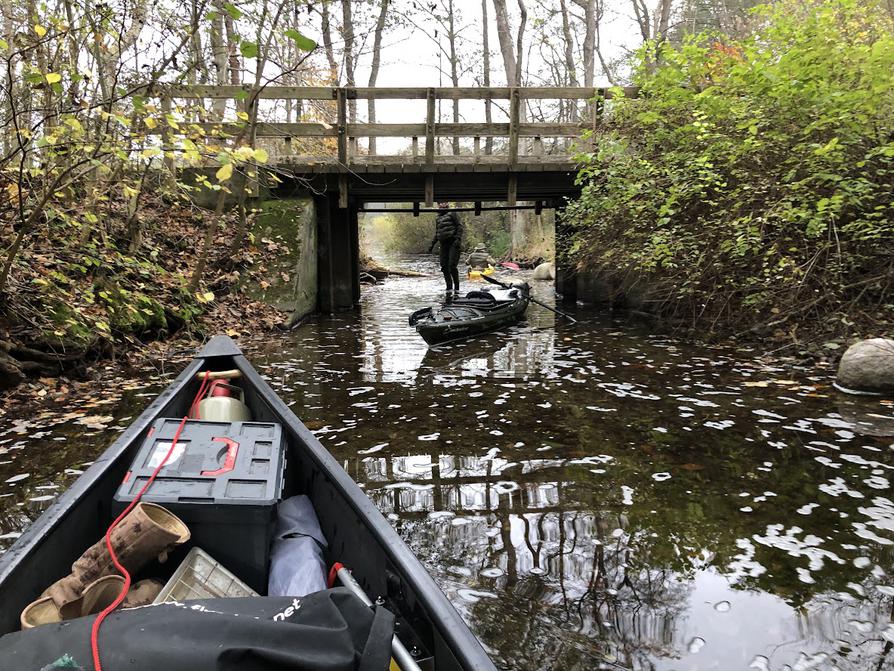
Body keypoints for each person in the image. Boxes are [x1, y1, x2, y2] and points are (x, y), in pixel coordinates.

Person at [428, 202, 463, 294]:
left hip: (453, 243)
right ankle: (449, 287)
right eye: (440, 203)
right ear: (438, 205)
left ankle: (457, 288)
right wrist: (432, 245)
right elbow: (437, 232)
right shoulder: (438, 218)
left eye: (443, 202)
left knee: (452, 266)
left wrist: (458, 239)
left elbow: (459, 226)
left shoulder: (452, 213)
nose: (441, 204)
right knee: (444, 266)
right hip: (443, 244)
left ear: (447, 203)